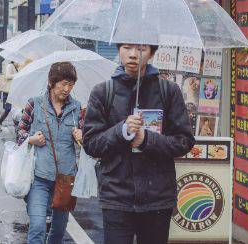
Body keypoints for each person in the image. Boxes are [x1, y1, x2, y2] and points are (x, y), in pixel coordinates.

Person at [82, 43, 195, 244]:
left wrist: (146, 140)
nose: (133, 55)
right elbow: (91, 144)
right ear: (119, 50)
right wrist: (121, 131)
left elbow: (184, 141)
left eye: (141, 49)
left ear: (151, 53)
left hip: (157, 198)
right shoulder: (102, 92)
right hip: (116, 198)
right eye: (127, 48)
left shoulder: (169, 91)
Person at [16, 62, 83, 244]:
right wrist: (31, 139)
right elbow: (20, 132)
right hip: (39, 177)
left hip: (66, 179)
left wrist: (81, 136)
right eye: (63, 83)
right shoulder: (35, 104)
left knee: (59, 231)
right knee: (37, 226)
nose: (67, 89)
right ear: (51, 82)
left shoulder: (77, 109)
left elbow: (89, 142)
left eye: (71, 84)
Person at [0, 60, 18, 131]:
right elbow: (8, 76)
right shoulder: (10, 66)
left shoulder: (15, 67)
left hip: (13, 91)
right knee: (8, 109)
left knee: (16, 109)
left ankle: (17, 127)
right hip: (8, 91)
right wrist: (18, 74)